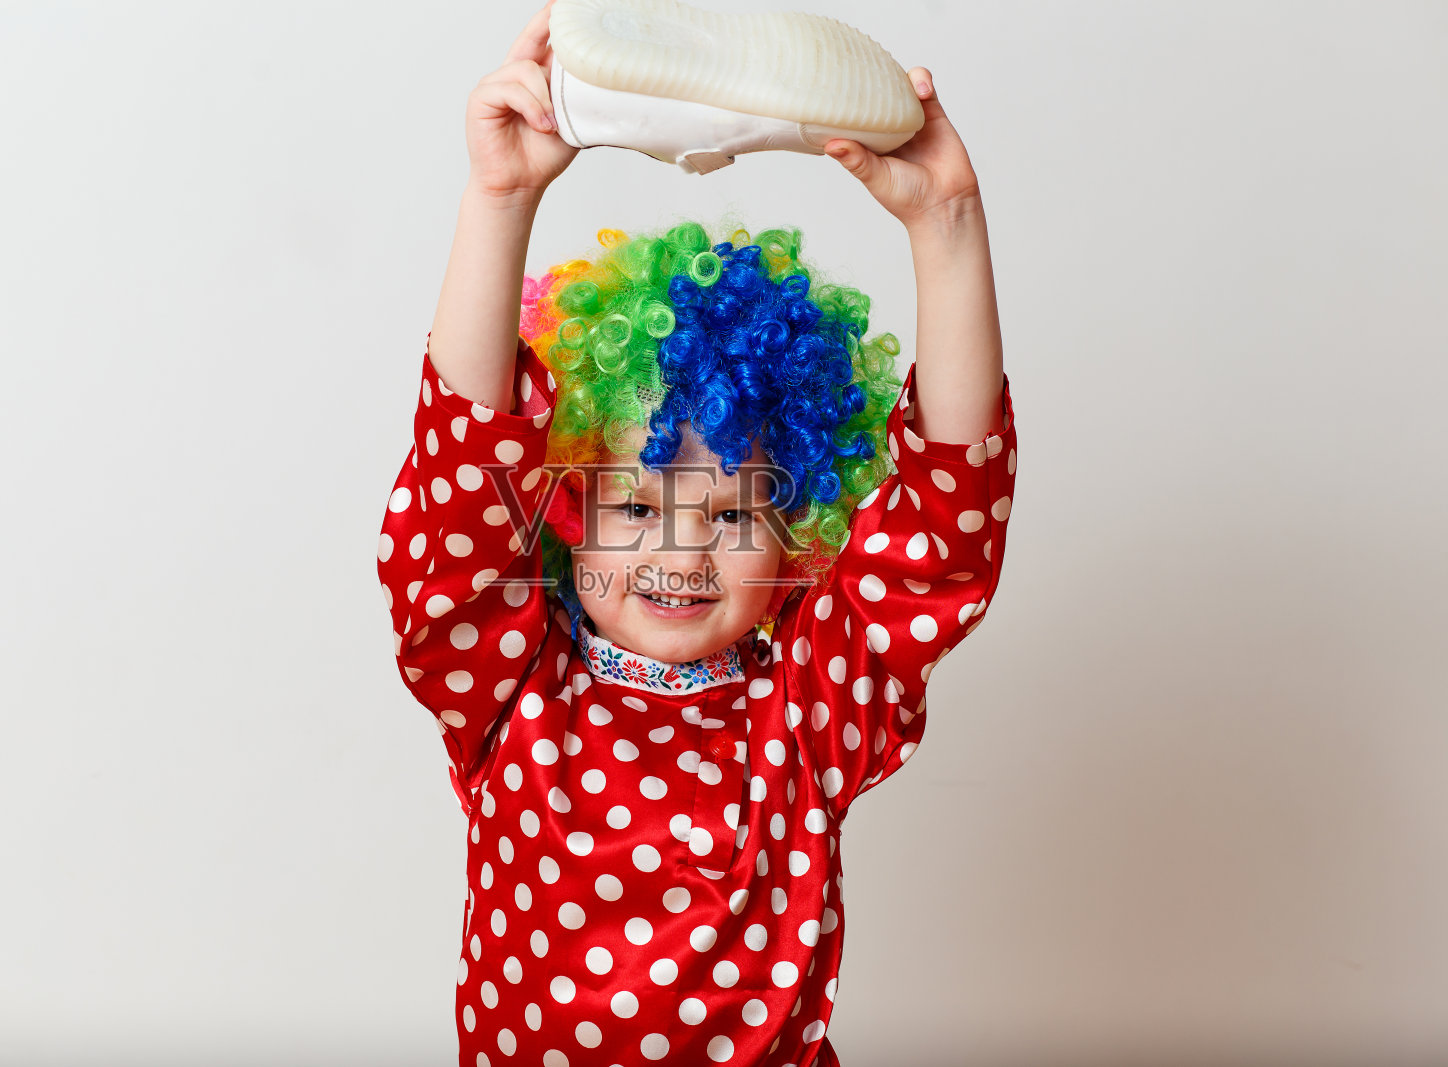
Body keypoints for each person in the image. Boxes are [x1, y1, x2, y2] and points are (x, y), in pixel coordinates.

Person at [376, 3, 1018, 1063]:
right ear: (564, 507)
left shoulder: (810, 709)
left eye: (731, 515)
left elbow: (945, 524)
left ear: (800, 532)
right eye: (635, 504)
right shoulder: (506, 692)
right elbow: (456, 482)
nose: (681, 553)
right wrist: (501, 197)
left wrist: (946, 223)